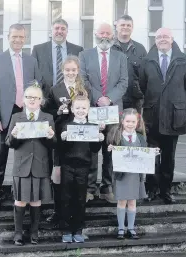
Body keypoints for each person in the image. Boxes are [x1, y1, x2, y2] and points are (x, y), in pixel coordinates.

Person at [79, 23, 128, 203]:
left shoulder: (121, 57)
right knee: (91, 151)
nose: (104, 36)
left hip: (114, 110)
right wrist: (99, 98)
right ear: (95, 34)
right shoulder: (84, 55)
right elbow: (82, 79)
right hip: (92, 108)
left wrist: (109, 99)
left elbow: (124, 82)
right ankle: (89, 188)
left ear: (113, 36)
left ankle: (107, 188)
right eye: (101, 33)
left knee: (111, 150)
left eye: (108, 33)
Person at [139, 27, 186, 204]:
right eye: (159, 37)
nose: (162, 39)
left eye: (165, 36)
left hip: (174, 116)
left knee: (169, 156)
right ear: (155, 40)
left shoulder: (183, 61)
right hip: (153, 116)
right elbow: (143, 86)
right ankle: (151, 189)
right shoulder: (147, 61)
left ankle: (166, 190)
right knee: (152, 156)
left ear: (172, 39)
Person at [5, 83, 56, 246]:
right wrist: (13, 136)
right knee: (20, 201)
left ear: (41, 100)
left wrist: (51, 136)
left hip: (40, 165)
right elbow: (9, 143)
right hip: (21, 166)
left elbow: (53, 144)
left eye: (36, 97)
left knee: (36, 201)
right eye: (29, 97)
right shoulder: (16, 117)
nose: (32, 100)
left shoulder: (47, 118)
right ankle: (18, 233)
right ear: (23, 99)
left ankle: (34, 233)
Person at [0, 24, 42, 200]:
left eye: (21, 37)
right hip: (5, 112)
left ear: (25, 38)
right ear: (8, 36)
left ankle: (22, 190)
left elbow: (37, 85)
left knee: (24, 153)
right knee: (0, 156)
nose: (17, 40)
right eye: (14, 36)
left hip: (25, 112)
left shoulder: (31, 60)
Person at [46, 55, 89, 224]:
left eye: (74, 70)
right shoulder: (55, 89)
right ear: (62, 70)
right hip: (61, 138)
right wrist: (58, 112)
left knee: (77, 178)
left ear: (78, 71)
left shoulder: (84, 89)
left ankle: (75, 213)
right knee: (58, 175)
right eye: (67, 70)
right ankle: (59, 211)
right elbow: (49, 113)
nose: (70, 73)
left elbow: (89, 111)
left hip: (80, 140)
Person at [107, 108, 159, 239]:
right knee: (121, 202)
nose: (130, 124)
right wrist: (111, 149)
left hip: (135, 176)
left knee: (132, 202)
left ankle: (131, 228)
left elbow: (144, 153)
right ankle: (120, 229)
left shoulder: (141, 138)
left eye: (133, 121)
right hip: (122, 175)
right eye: (127, 121)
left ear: (137, 123)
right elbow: (113, 150)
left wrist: (153, 153)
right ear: (122, 121)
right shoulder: (117, 136)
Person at [60, 94, 104, 243]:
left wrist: (99, 139)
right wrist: (64, 138)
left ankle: (78, 229)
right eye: (77, 107)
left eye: (83, 108)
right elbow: (61, 149)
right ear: (72, 109)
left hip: (84, 167)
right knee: (66, 198)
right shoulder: (66, 125)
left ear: (88, 110)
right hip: (67, 166)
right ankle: (66, 229)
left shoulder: (92, 126)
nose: (80, 110)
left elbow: (94, 149)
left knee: (80, 199)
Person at [32, 18, 84, 98]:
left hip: (71, 95)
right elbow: (33, 74)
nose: (59, 31)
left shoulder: (78, 50)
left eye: (63, 29)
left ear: (67, 32)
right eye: (56, 28)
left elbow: (81, 73)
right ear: (51, 31)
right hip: (45, 97)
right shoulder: (38, 50)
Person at [112, 15, 147, 113]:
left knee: (133, 127)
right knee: (114, 127)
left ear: (132, 28)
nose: (125, 27)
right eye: (122, 25)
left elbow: (146, 73)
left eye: (128, 25)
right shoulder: (108, 47)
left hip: (135, 99)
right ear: (116, 27)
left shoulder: (140, 49)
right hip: (113, 98)